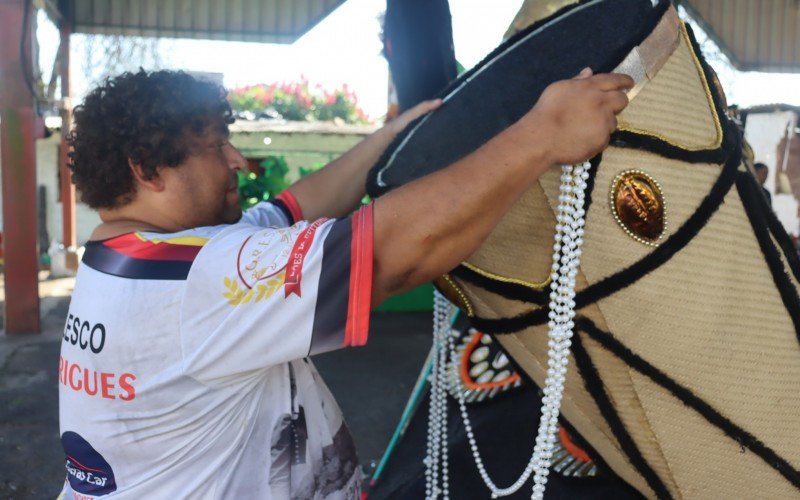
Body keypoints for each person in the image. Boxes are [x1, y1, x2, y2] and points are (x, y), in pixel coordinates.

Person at [58, 68, 632, 499]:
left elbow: (296, 208)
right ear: (147, 168)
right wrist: (543, 135)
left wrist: (393, 136)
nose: (238, 161)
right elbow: (392, 254)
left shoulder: (125, 262)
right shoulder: (194, 280)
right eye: (214, 146)